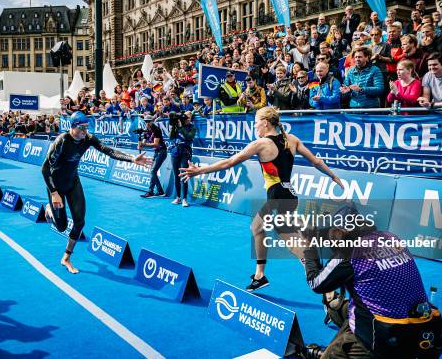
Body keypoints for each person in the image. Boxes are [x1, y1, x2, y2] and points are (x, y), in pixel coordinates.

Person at [179, 107, 342, 291]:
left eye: (256, 121)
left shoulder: (261, 144)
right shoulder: (292, 139)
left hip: (277, 198)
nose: (254, 125)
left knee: (289, 242)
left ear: (265, 122)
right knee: (259, 228)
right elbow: (316, 162)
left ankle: (319, 276)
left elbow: (229, 162)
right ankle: (261, 274)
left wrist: (200, 170)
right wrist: (333, 176)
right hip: (288, 195)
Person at [301, 206, 442, 359]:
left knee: (331, 355)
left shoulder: (350, 253)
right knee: (346, 306)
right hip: (425, 329)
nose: (330, 240)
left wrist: (309, 249)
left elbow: (316, 283)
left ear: (339, 232)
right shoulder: (391, 237)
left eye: (331, 234)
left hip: (386, 337)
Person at [43, 112, 150, 273]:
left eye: (86, 128)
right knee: (62, 227)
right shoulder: (62, 141)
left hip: (73, 183)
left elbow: (109, 151)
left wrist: (131, 158)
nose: (84, 131)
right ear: (72, 127)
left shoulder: (88, 138)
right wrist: (53, 193)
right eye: (81, 128)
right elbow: (45, 169)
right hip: (55, 186)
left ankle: (66, 258)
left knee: (80, 222)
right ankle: (49, 209)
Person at [169, 112, 196, 207]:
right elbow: (171, 137)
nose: (187, 118)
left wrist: (181, 127)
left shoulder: (192, 128)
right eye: (186, 116)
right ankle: (178, 197)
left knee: (184, 176)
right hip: (175, 152)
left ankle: (184, 199)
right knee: (176, 176)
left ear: (191, 118)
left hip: (185, 152)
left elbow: (189, 136)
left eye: (189, 117)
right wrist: (173, 126)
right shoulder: (177, 125)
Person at [138, 114, 168, 198]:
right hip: (156, 152)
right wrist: (140, 140)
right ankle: (160, 191)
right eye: (145, 122)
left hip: (162, 151)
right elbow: (141, 145)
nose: (147, 123)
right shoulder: (146, 130)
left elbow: (155, 144)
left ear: (152, 121)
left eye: (148, 122)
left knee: (153, 171)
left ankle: (150, 192)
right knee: (153, 171)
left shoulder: (157, 130)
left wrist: (144, 144)